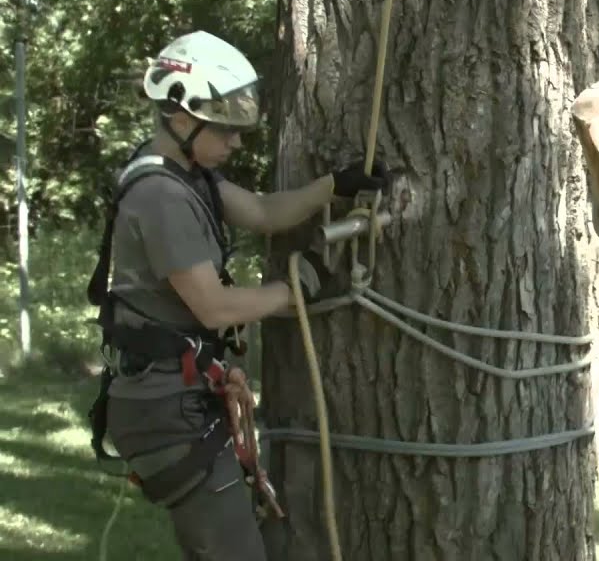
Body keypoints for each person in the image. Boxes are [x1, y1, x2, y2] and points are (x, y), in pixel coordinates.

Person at [85, 30, 387, 560]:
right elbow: (214, 306)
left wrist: (333, 187)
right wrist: (296, 291)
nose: (236, 143)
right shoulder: (161, 196)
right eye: (224, 130)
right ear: (181, 118)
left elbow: (264, 214)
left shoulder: (187, 175)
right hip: (166, 411)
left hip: (178, 401)